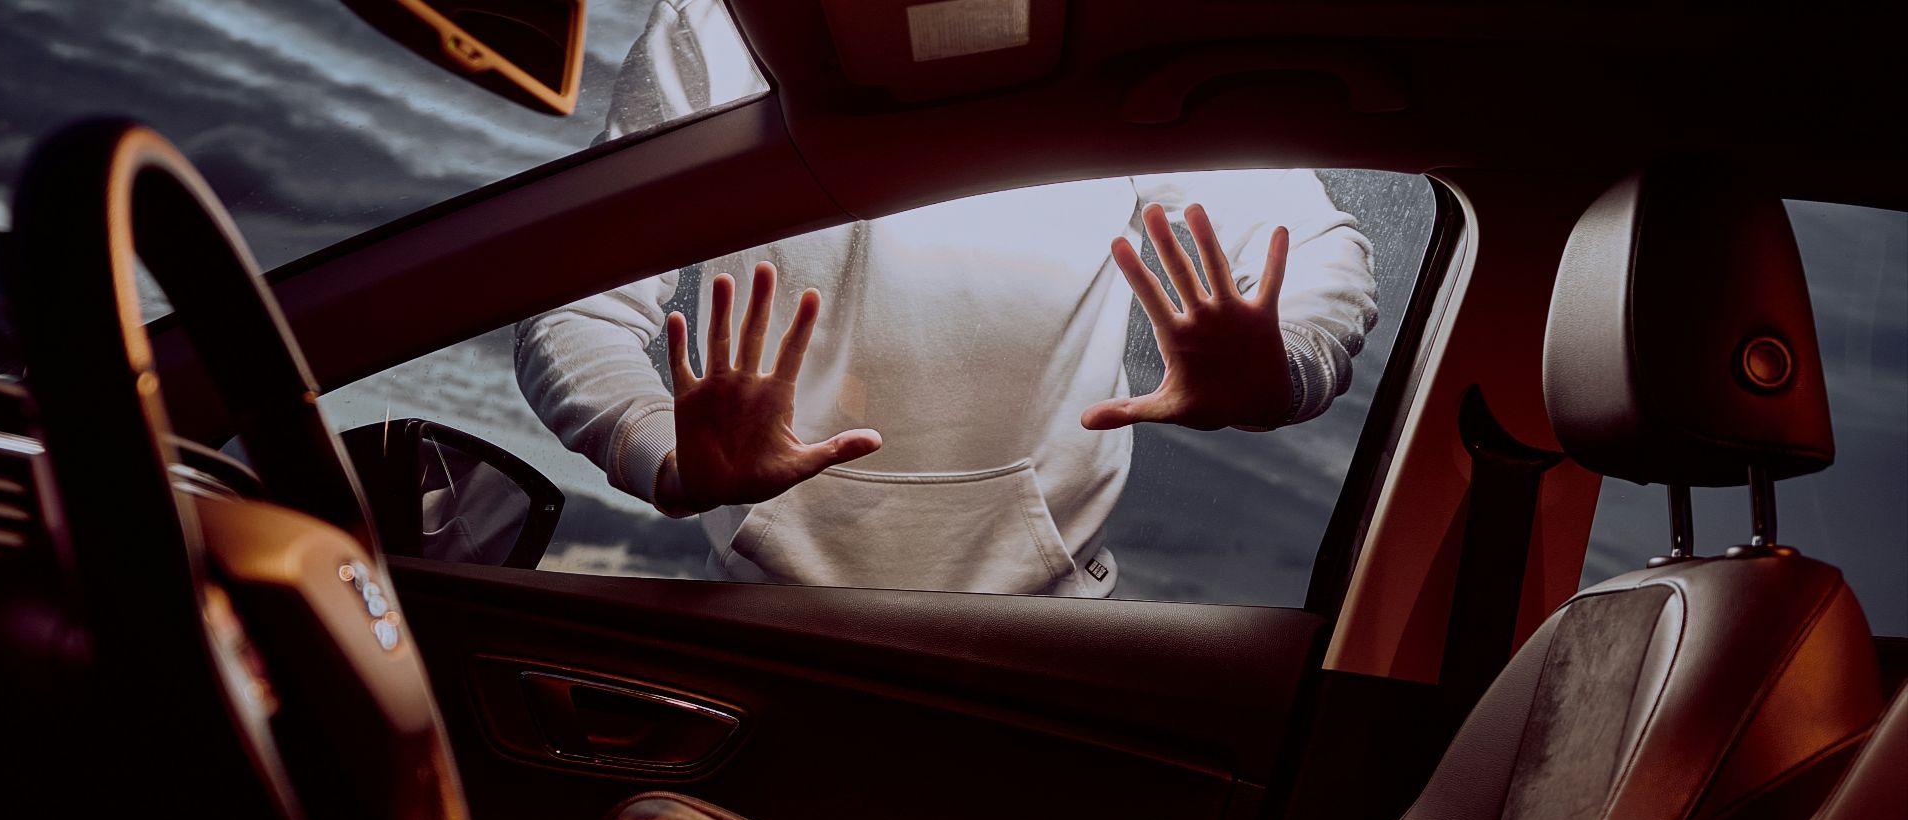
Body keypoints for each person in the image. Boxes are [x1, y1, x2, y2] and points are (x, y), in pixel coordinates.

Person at [517, 0, 1378, 596]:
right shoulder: (727, 24)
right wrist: (663, 453)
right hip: (766, 614)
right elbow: (570, 303)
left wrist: (1283, 368)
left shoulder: (1123, 27)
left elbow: (1317, 250)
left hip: (1046, 628)